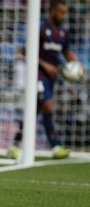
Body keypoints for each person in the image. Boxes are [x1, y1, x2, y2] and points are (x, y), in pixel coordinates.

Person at [8, 0, 85, 159]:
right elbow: (26, 50)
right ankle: (55, 146)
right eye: (61, 12)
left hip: (51, 78)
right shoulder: (41, 28)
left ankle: (14, 145)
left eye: (66, 13)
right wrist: (45, 65)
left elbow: (67, 52)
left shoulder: (63, 32)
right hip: (37, 75)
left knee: (34, 111)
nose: (64, 16)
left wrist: (78, 64)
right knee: (48, 106)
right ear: (53, 11)